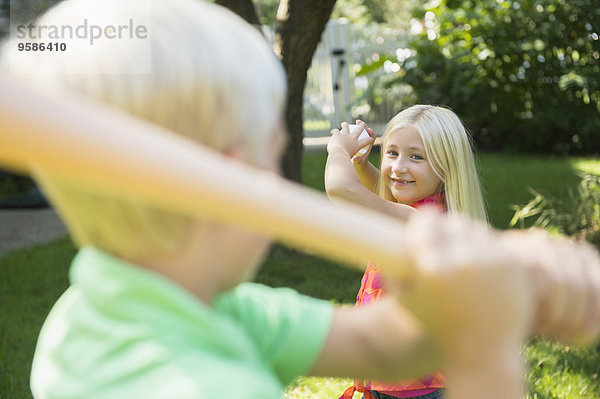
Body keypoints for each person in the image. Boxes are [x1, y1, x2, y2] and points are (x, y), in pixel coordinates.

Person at [2, 1, 600, 399]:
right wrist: (489, 356)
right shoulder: (200, 385)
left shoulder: (168, 309)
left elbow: (381, 344)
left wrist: (479, 291)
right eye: (279, 151)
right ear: (238, 177)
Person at [325, 107, 487, 399]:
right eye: (392, 153)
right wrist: (362, 165)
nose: (398, 167)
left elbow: (341, 188)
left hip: (412, 387)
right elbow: (387, 191)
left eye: (416, 156)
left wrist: (338, 150)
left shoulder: (423, 224)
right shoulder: (427, 212)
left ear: (445, 167)